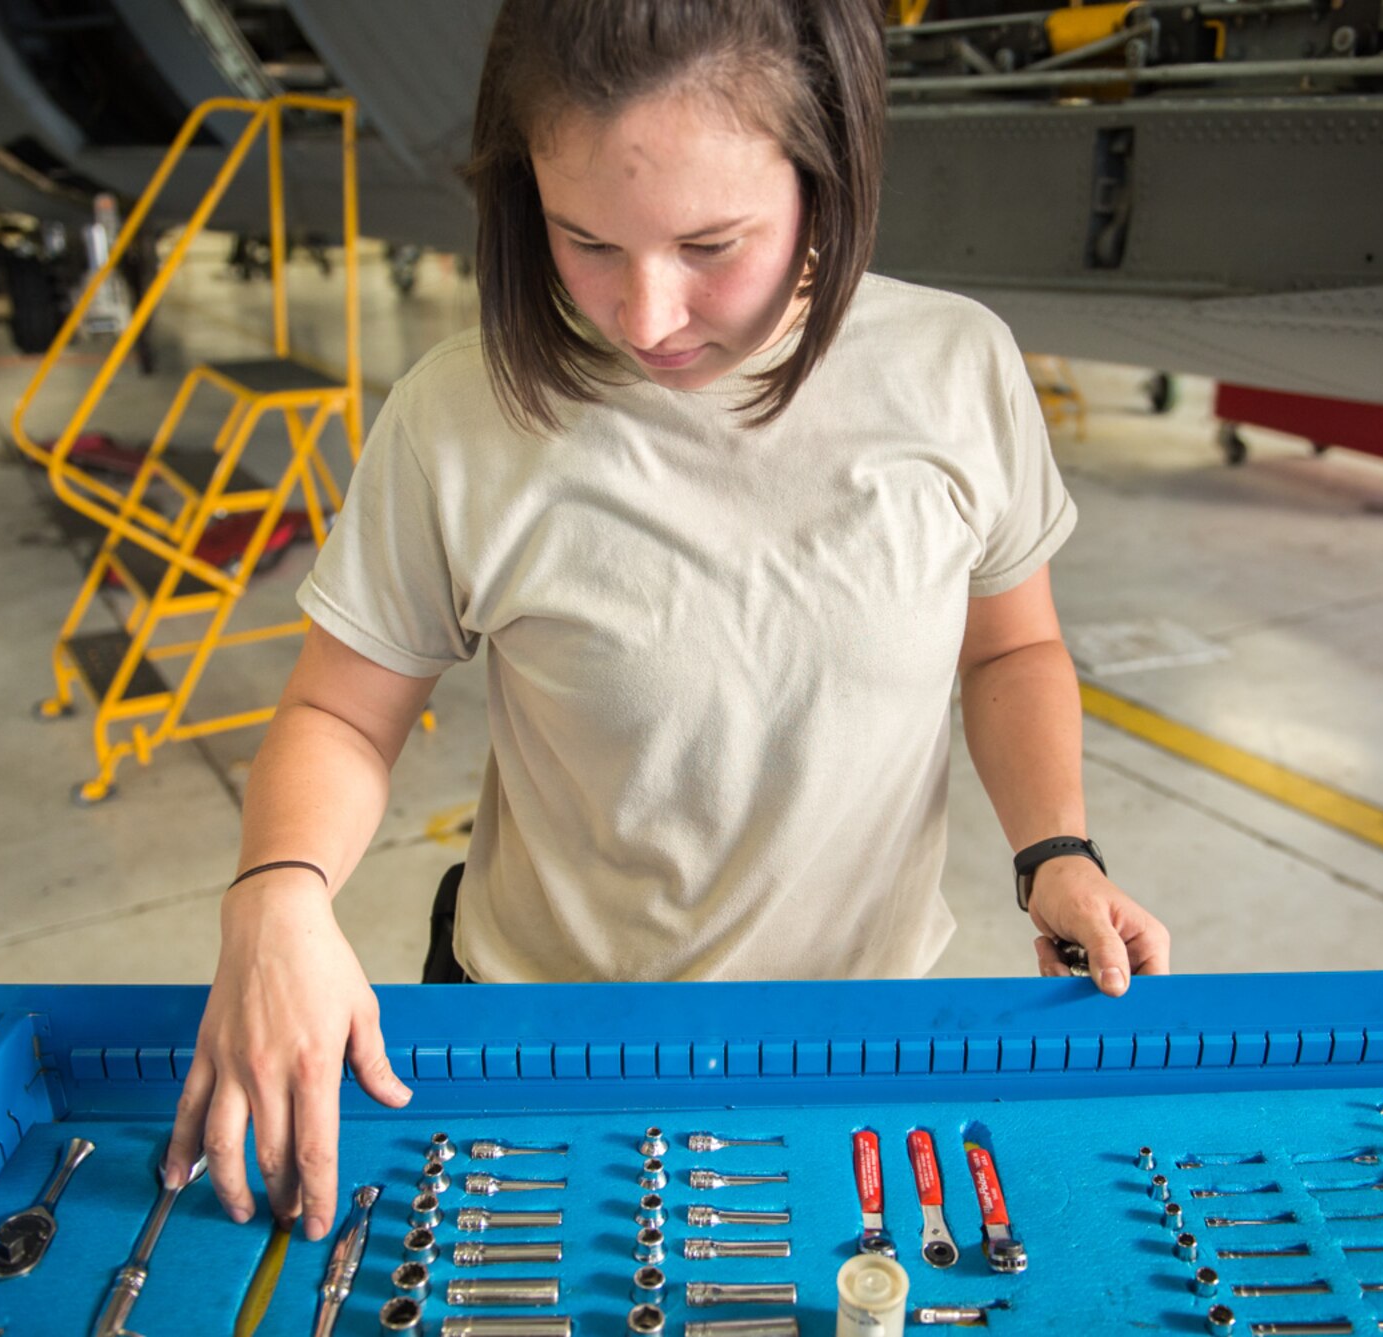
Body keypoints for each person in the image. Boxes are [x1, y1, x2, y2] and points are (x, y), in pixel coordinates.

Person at [164, 0, 1171, 1244]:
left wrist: (1052, 852)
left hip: (855, 1034)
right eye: (582, 240)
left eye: (711, 243)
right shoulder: (459, 415)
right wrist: (276, 892)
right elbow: (337, 709)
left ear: (829, 172)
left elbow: (1010, 643)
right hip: (541, 1035)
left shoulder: (955, 370)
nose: (644, 317)